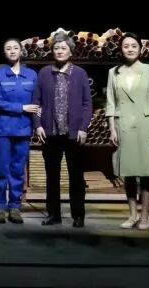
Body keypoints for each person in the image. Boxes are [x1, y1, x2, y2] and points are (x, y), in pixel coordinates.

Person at [32, 31, 93, 227]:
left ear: (70, 52)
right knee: (52, 176)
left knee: (76, 176)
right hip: (51, 133)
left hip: (73, 134)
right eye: (56, 48)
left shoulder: (80, 73)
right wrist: (38, 125)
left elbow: (87, 104)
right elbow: (36, 102)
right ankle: (54, 214)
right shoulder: (44, 73)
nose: (59, 51)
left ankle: (78, 215)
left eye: (63, 48)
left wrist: (83, 128)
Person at [106, 33, 149, 230]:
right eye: (126, 46)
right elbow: (111, 103)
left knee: (146, 173)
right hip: (123, 125)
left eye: (133, 46)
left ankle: (145, 216)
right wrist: (112, 129)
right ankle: (132, 215)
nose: (130, 49)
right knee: (128, 173)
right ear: (121, 49)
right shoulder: (114, 72)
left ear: (140, 49)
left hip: (145, 124)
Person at [0, 38, 38, 224]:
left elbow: (37, 101)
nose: (12, 51)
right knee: (2, 169)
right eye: (8, 48)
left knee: (18, 170)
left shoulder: (31, 75)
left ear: (21, 51)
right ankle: (0, 206)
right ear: (4, 52)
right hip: (3, 129)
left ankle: (15, 206)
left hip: (23, 129)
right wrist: (22, 108)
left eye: (15, 48)